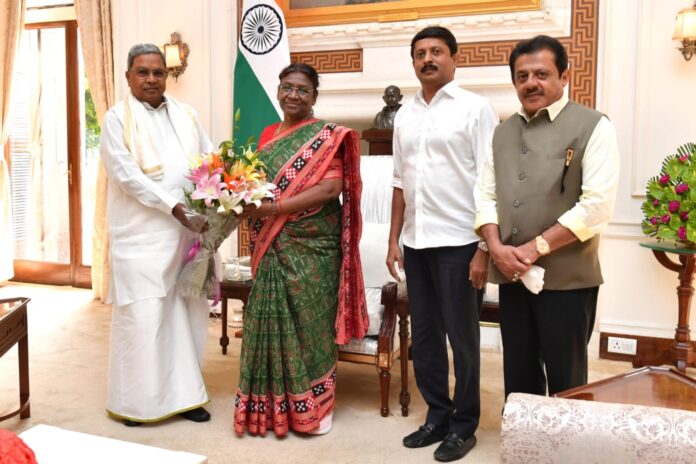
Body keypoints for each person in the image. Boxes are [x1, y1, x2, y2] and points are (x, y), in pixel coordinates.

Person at [474, 35, 620, 399]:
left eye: (541, 73)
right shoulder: (501, 132)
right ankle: (527, 449)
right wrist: (495, 248)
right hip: (511, 275)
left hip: (568, 280)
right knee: (519, 374)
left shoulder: (593, 125)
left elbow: (597, 205)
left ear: (564, 75)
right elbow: (486, 194)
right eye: (522, 76)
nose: (531, 83)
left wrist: (534, 249)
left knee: (567, 379)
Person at [232, 62, 368, 437]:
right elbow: (256, 184)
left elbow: (329, 190)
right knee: (265, 320)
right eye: (287, 87)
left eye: (302, 90)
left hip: (314, 246)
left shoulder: (328, 135)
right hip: (272, 244)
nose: (293, 95)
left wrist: (274, 209)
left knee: (312, 327)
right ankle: (272, 409)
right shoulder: (266, 133)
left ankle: (315, 410)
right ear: (278, 91)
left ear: (314, 97)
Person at [386, 26, 498, 462]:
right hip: (416, 243)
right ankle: (437, 414)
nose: (427, 59)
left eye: (436, 52)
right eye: (419, 53)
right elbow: (399, 181)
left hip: (460, 243)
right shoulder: (405, 115)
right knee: (427, 337)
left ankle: (464, 423)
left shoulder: (476, 109)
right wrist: (394, 240)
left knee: (463, 340)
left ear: (454, 58)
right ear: (413, 62)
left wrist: (484, 248)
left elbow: (491, 180)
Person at [101, 43, 214, 426]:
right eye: (143, 72)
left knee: (187, 314)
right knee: (144, 316)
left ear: (166, 75)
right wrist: (175, 208)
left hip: (187, 236)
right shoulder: (116, 119)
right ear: (128, 76)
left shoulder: (186, 113)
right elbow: (126, 176)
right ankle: (137, 403)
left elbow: (209, 158)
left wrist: (222, 193)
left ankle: (187, 396)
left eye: (158, 72)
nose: (151, 79)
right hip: (141, 238)